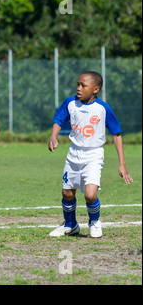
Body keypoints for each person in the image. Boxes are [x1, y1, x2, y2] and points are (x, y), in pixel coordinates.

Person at [48, 71, 133, 238]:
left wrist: (122, 164)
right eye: (78, 84)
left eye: (83, 85)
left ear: (95, 89)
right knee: (67, 193)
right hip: (73, 153)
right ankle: (70, 225)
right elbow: (59, 120)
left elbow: (116, 134)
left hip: (93, 155)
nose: (78, 88)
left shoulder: (103, 109)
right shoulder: (70, 102)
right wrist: (53, 136)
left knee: (90, 194)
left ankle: (94, 221)